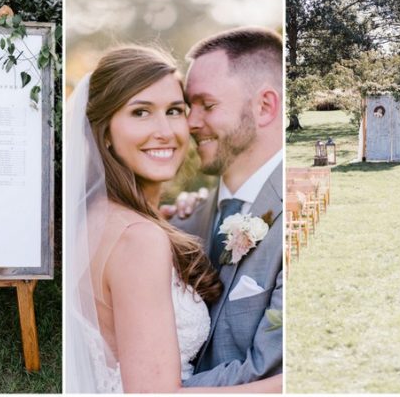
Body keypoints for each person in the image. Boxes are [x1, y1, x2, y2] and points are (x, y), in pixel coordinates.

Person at [65, 45, 282, 393]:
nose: (165, 131)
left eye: (175, 110)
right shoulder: (138, 239)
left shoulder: (101, 218)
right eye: (141, 112)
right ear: (104, 131)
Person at [170, 27, 283, 387]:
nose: (189, 123)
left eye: (207, 104)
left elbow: (267, 370)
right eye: (189, 106)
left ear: (264, 107)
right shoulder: (186, 219)